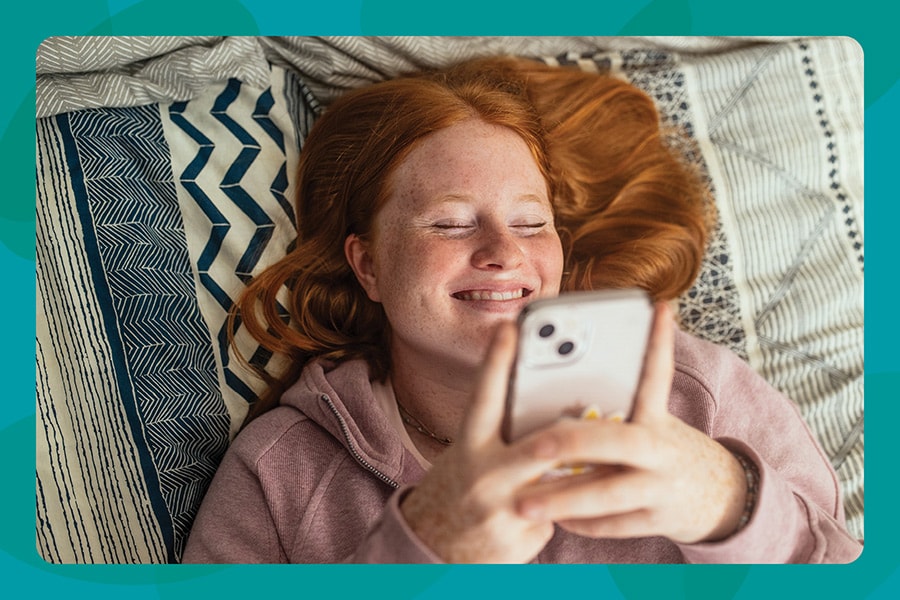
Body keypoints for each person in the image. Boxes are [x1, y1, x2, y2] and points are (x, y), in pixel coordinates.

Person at [181, 56, 862, 564]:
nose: (505, 252)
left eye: (532, 224)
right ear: (368, 266)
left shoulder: (696, 392)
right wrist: (424, 546)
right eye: (449, 224)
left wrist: (728, 502)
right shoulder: (280, 473)